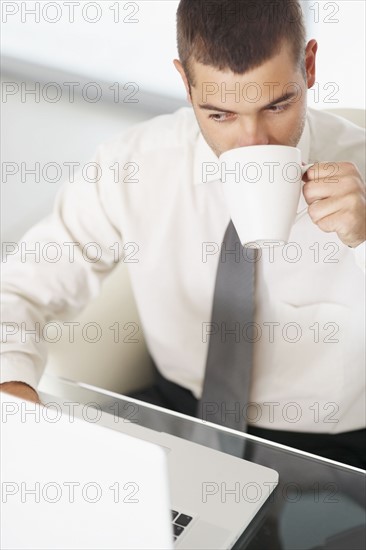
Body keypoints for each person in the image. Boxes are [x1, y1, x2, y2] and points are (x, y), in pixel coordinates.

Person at [1, 0, 365, 468]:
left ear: (309, 66)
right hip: (178, 413)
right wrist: (13, 389)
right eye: (220, 114)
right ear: (185, 84)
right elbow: (20, 289)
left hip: (335, 444)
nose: (253, 143)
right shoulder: (132, 165)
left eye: (277, 105)